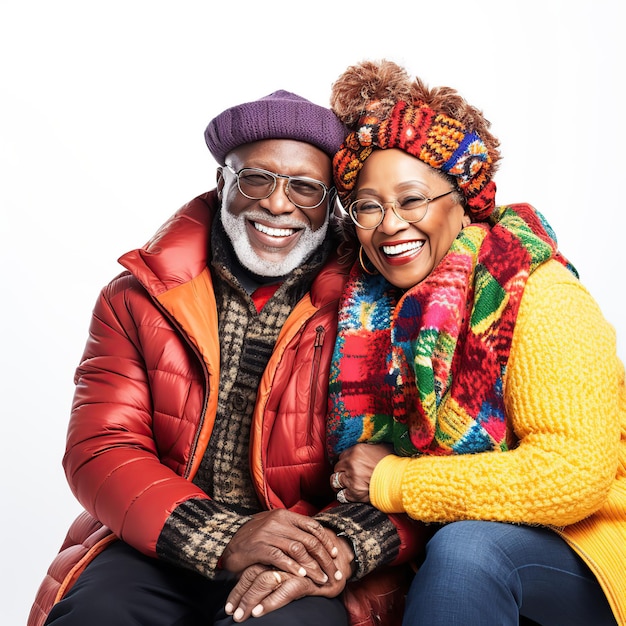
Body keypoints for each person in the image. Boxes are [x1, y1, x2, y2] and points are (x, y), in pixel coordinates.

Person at [28, 89, 423, 626]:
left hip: (311, 551)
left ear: (330, 203)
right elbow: (101, 445)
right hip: (166, 535)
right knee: (99, 613)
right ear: (221, 183)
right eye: (256, 179)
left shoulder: (378, 305)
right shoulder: (137, 297)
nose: (278, 205)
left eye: (305, 188)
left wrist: (336, 548)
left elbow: (424, 467)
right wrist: (224, 535)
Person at [323, 60, 626, 626]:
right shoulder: (366, 312)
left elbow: (572, 475)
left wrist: (394, 479)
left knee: (469, 550)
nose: (389, 224)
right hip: (438, 547)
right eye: (368, 205)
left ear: (463, 201)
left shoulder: (540, 294)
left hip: (590, 547)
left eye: (411, 199)